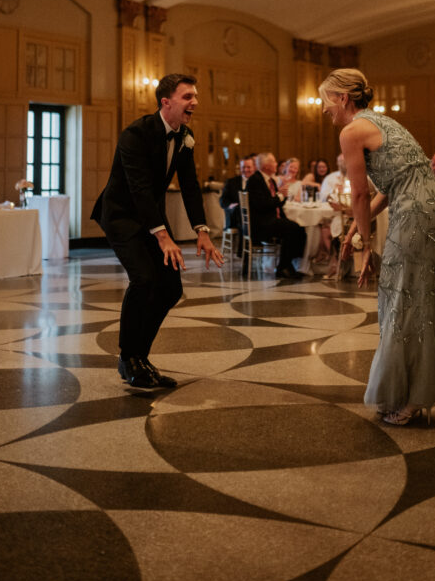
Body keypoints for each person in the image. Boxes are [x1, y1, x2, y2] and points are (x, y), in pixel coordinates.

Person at [320, 68, 435, 426]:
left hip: (414, 216)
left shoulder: (351, 131)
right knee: (420, 299)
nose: (324, 110)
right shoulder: (384, 122)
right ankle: (413, 392)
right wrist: (357, 230)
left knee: (402, 300)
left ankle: (411, 398)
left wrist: (366, 247)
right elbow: (390, 187)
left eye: (326, 101)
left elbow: (361, 193)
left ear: (343, 99)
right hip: (434, 212)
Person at [91, 73, 224, 389]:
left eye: (195, 96)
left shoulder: (184, 136)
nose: (194, 102)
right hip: (122, 215)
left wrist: (201, 231)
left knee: (171, 288)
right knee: (144, 278)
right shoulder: (135, 134)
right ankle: (128, 357)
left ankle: (139, 357)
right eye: (187, 96)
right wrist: (163, 237)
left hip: (151, 218)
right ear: (166, 102)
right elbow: (138, 189)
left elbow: (190, 186)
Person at [246, 152, 306, 279]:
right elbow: (261, 205)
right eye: (273, 162)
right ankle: (283, 267)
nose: (276, 164)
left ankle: (287, 264)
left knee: (300, 229)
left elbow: (275, 203)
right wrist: (280, 195)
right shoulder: (255, 180)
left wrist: (282, 196)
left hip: (270, 220)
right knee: (293, 229)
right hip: (261, 224)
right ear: (266, 166)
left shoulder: (270, 180)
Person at [219, 156, 256, 231]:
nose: (245, 170)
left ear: (254, 168)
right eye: (243, 167)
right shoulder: (231, 182)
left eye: (248, 167)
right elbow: (222, 200)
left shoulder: (258, 182)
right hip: (236, 218)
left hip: (254, 217)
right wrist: (230, 205)